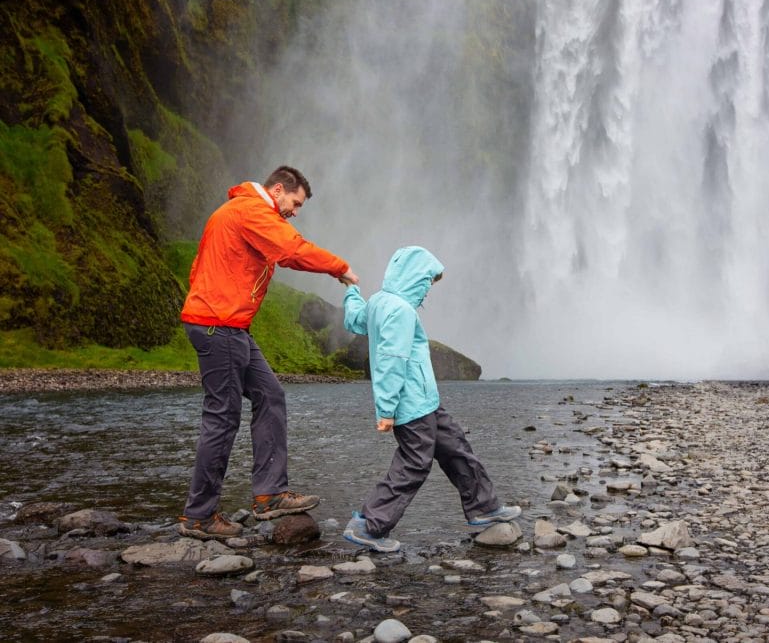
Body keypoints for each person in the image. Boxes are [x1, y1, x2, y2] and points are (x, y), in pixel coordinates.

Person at [177, 166, 359, 540]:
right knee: (222, 417)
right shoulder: (251, 211)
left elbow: (199, 267)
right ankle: (199, 516)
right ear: (277, 190)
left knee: (270, 394)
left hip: (228, 325)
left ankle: (269, 494)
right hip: (219, 325)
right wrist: (339, 268)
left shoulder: (236, 212)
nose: (294, 211)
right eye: (295, 203)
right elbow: (290, 249)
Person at [339, 245, 520, 552]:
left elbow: (354, 320)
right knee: (414, 464)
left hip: (427, 402)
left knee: (457, 449)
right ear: (413, 277)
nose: (426, 293)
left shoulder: (379, 302)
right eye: (426, 284)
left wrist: (352, 290)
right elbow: (390, 360)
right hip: (411, 408)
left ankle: (484, 508)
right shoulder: (401, 311)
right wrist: (387, 410)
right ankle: (369, 526)